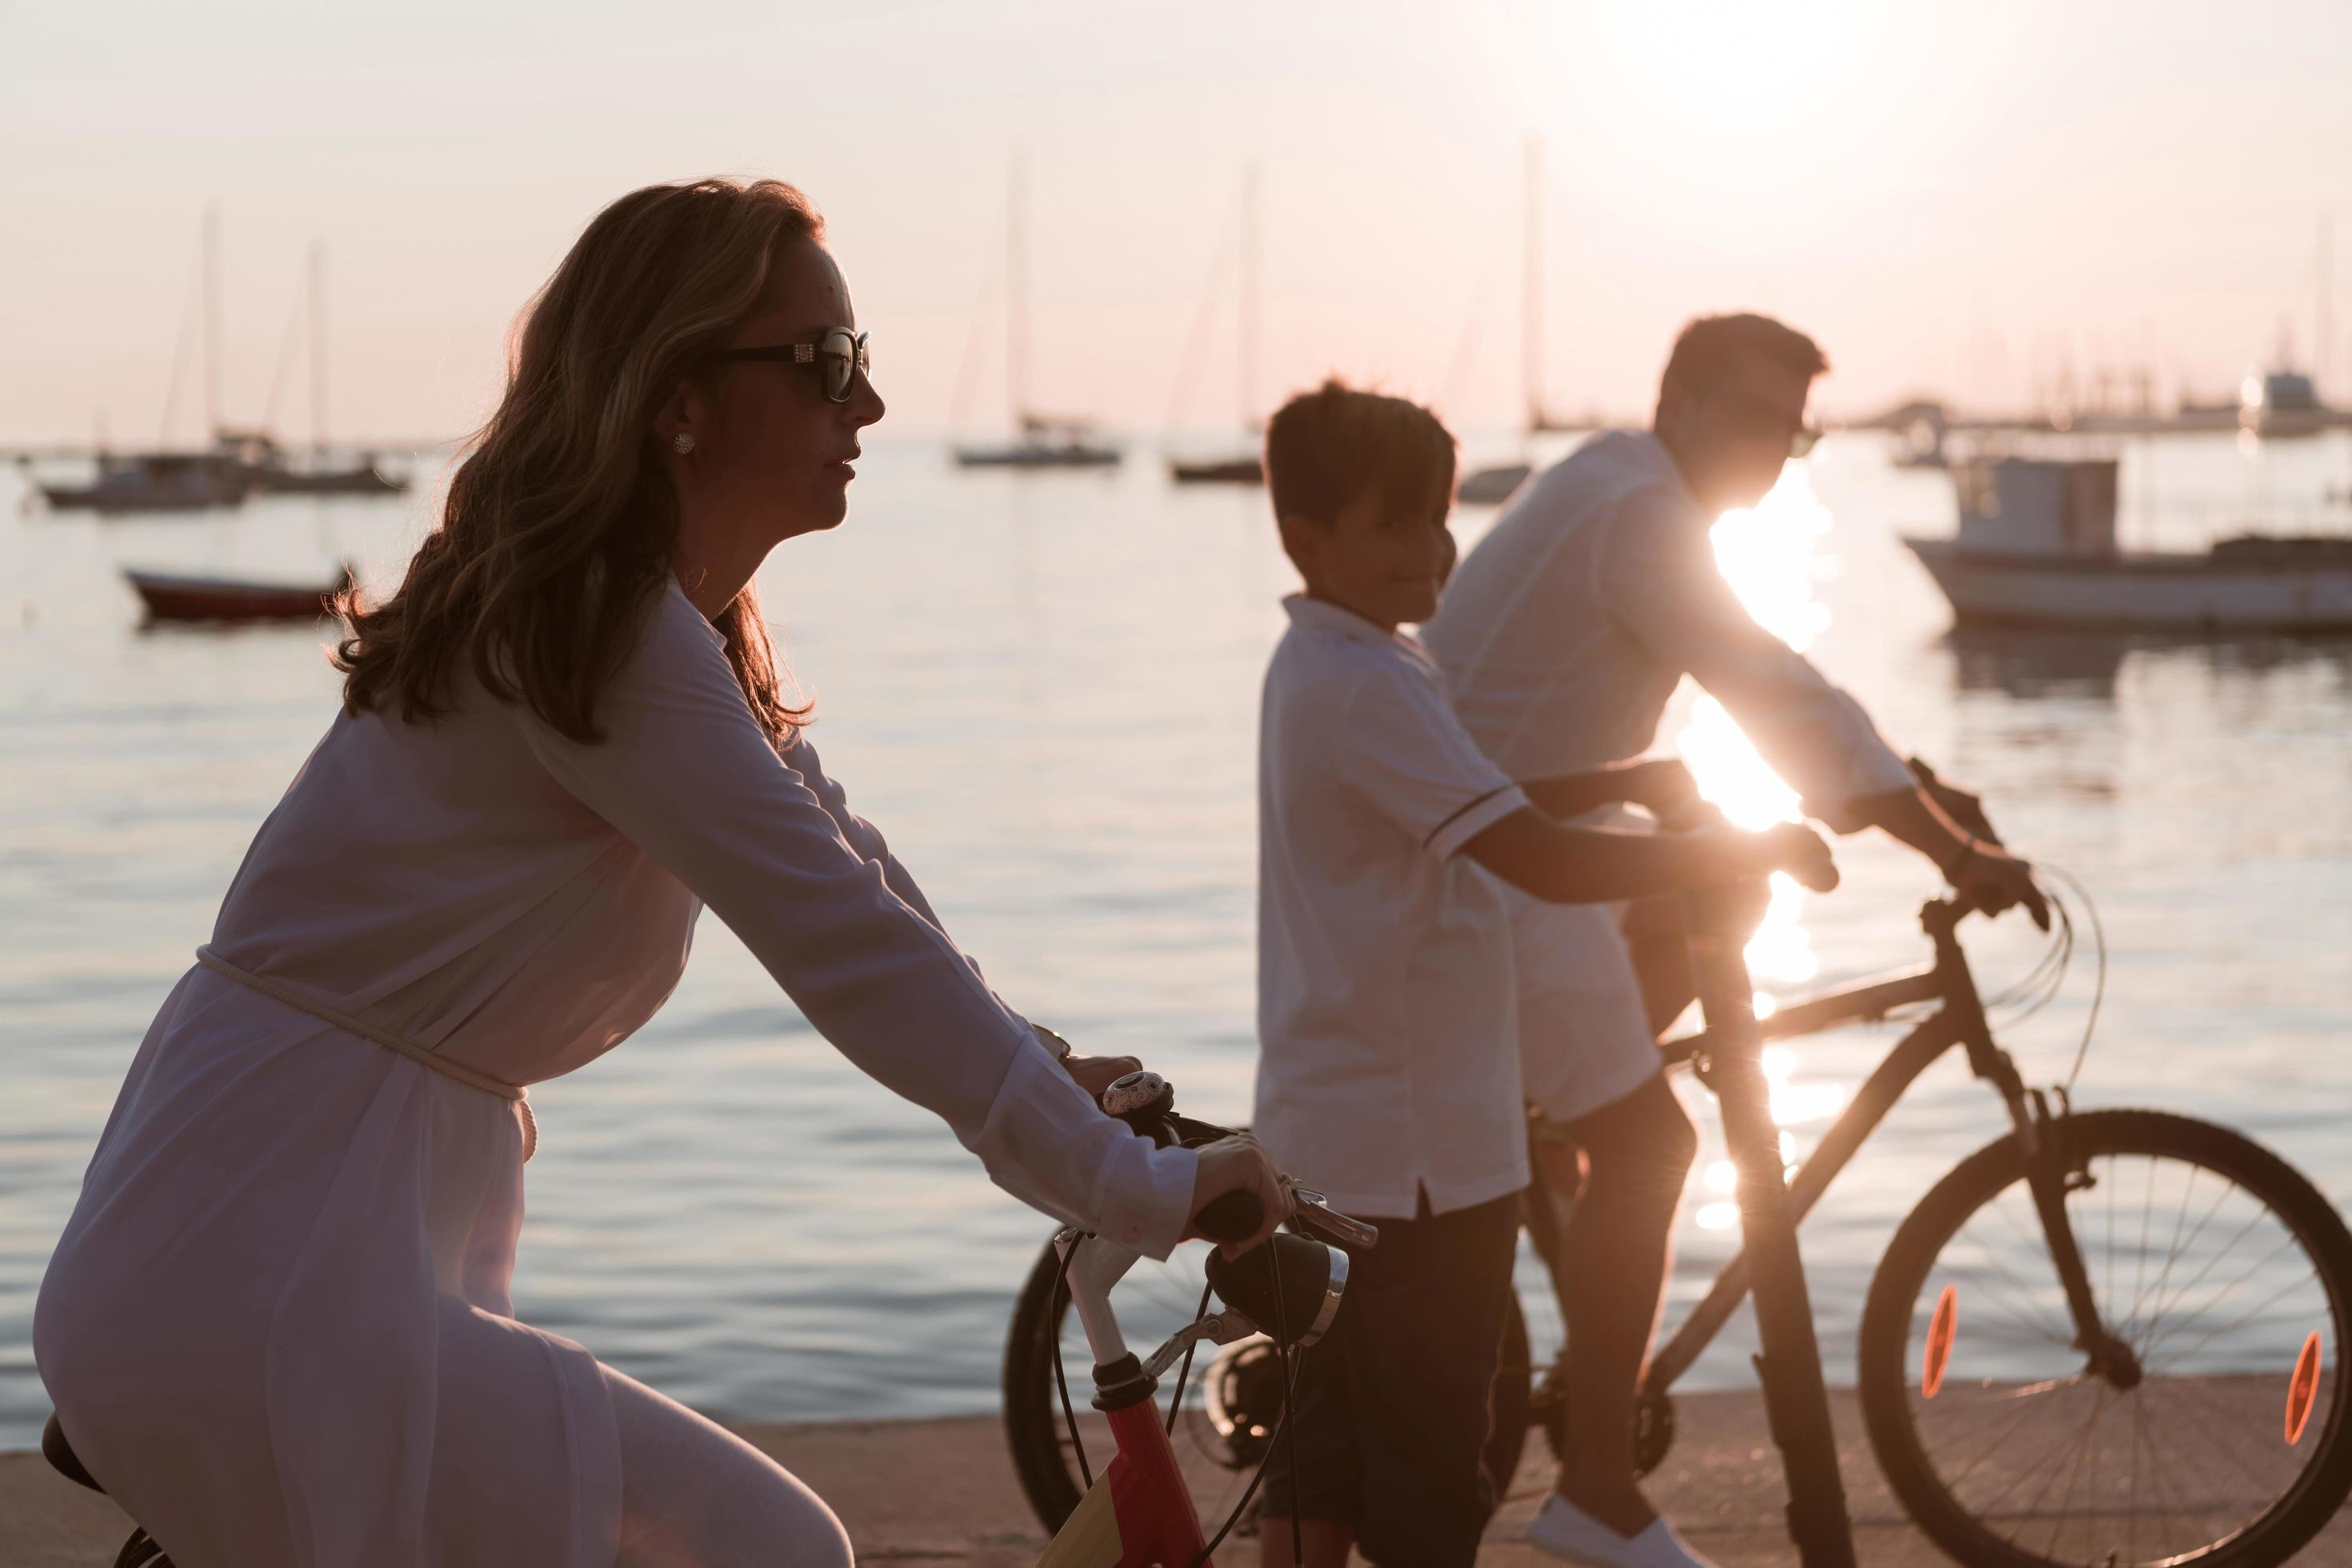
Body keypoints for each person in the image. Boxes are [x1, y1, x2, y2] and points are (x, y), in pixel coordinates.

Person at [32, 178, 1287, 1568]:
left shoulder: (667, 627)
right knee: (768, 1547)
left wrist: (1043, 1071)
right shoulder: (602, 628)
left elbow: (859, 883)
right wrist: (1128, 1188)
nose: (867, 405)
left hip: (312, 1218)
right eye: (828, 362)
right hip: (270, 1248)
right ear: (678, 394)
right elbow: (841, 950)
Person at [1421, 313, 2047, 1568]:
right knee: (1657, 1146)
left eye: (1800, 431)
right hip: (1495, 878)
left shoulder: (1623, 487)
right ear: (1688, 401)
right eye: (1768, 422)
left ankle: (1553, 1136)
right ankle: (1597, 1487)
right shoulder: (1638, 516)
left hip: (1524, 848)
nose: (1785, 452)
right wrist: (1951, 854)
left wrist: (1919, 789)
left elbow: (1777, 686)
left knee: (1725, 896)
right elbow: (1769, 688)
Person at [1249, 381, 1838, 1568]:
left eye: (1442, 515)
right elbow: (1538, 861)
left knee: (1323, 1470)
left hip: (1330, 1140)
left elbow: (1476, 801)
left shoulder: (1337, 664)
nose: (1434, 548)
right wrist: (1740, 842)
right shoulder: (1368, 684)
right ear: (1307, 540)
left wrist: (1624, 775)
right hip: (1422, 1171)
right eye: (1397, 524)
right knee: (1430, 1487)